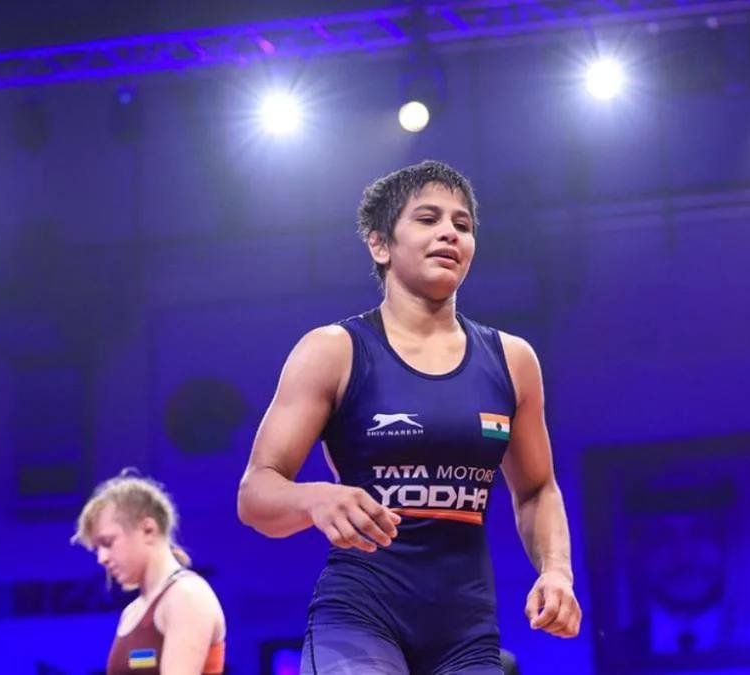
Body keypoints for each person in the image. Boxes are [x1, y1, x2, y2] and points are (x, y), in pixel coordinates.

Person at [238, 160, 581, 674]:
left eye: (462, 224)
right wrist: (315, 498)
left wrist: (557, 572)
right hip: (358, 618)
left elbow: (537, 490)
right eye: (427, 218)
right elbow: (255, 494)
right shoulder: (333, 351)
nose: (449, 232)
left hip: (466, 633)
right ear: (380, 245)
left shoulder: (513, 360)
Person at [72, 471, 226, 674]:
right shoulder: (132, 612)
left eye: (108, 543)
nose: (102, 558)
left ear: (148, 530)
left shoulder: (186, 595)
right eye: (97, 549)